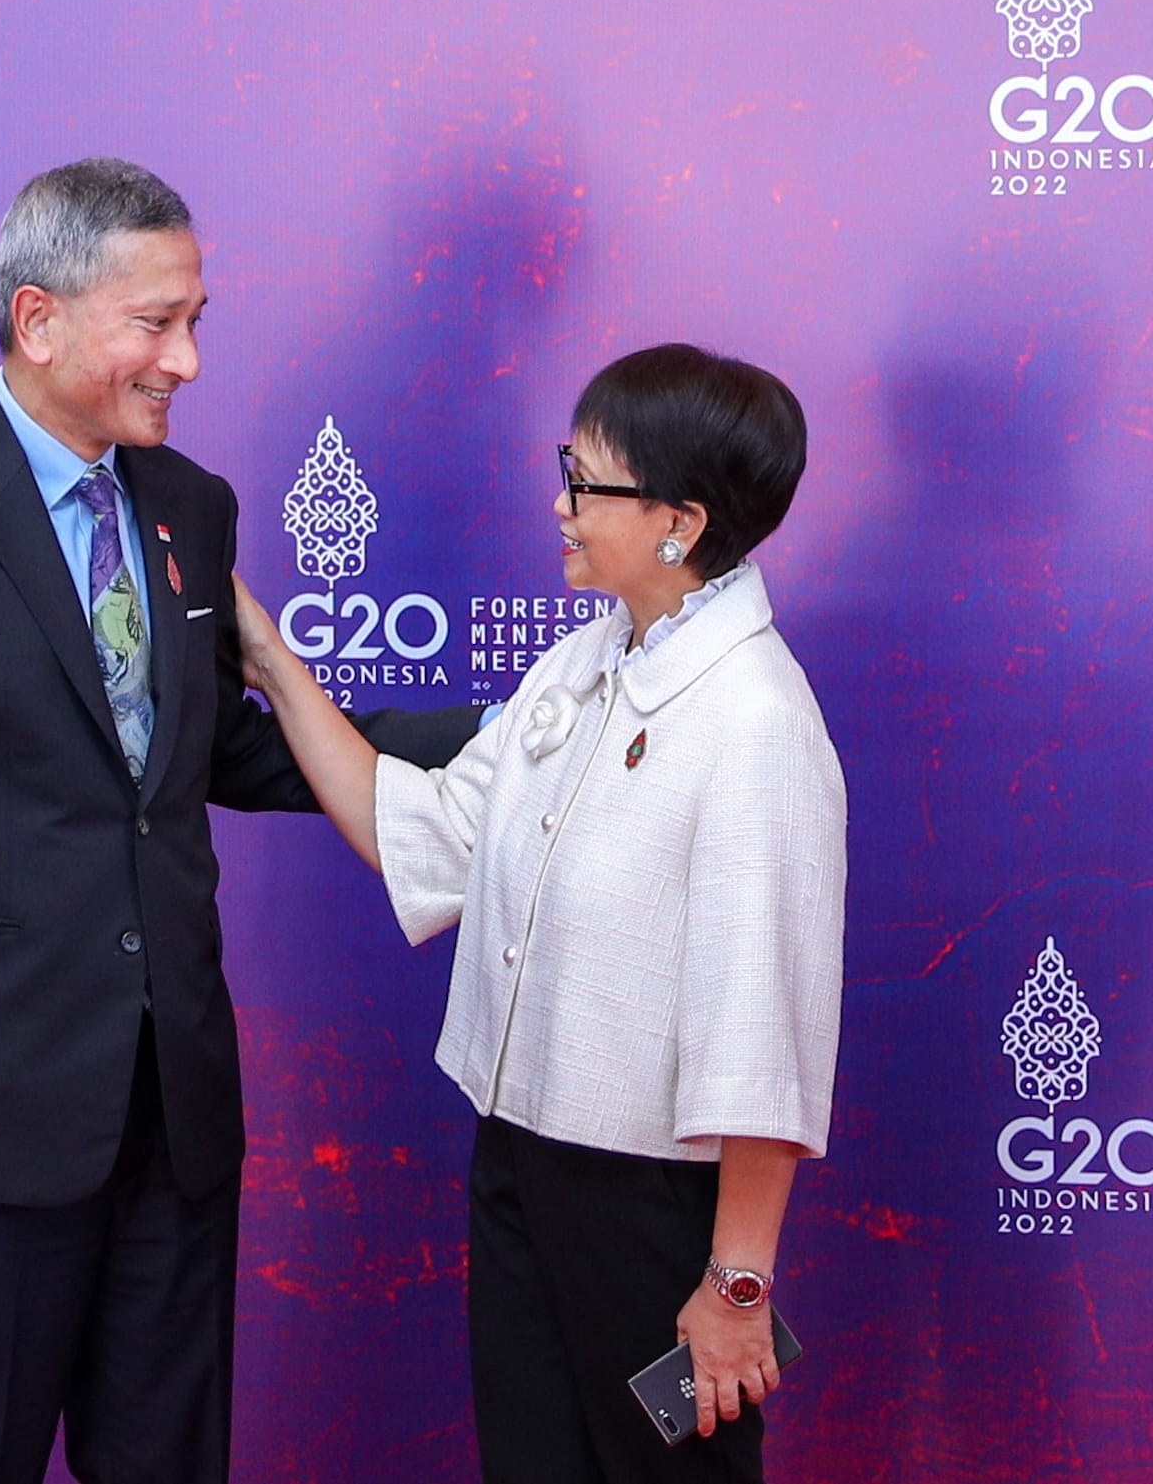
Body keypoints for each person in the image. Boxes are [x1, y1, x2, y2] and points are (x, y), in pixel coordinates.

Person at [0, 156, 476, 1484]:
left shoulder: (188, 508)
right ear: (38, 321)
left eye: (197, 319)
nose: (190, 361)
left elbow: (217, 754)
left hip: (175, 1117)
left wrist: (514, 731)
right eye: (155, 324)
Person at [233, 342, 846, 1483]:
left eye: (585, 480)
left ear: (679, 519)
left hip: (652, 1208)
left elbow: (763, 1038)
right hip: (520, 1161)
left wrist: (734, 1287)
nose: (557, 505)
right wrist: (266, 652)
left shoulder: (755, 724)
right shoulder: (582, 664)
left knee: (668, 1471)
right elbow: (416, 829)